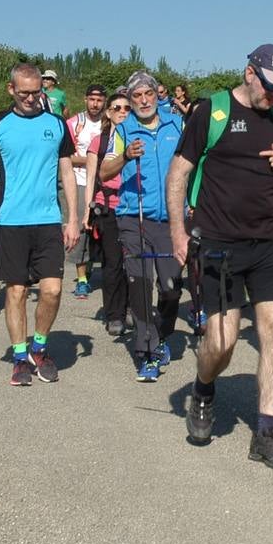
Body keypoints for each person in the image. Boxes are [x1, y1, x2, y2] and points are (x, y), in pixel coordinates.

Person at [167, 43, 273, 469]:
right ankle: (204, 388)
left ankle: (265, 431)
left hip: (269, 242)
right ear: (250, 73)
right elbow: (178, 173)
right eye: (271, 85)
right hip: (218, 244)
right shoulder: (212, 112)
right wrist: (177, 231)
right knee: (222, 342)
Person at [0, 63, 80, 387]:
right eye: (25, 93)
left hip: (48, 219)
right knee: (16, 291)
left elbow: (67, 174)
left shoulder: (56, 124)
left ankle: (39, 348)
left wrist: (72, 217)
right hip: (11, 220)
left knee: (52, 290)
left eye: (37, 92)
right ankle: (20, 358)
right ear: (11, 90)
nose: (32, 98)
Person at [99, 71, 185, 382]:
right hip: (132, 218)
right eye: (137, 96)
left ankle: (161, 334)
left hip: (171, 220)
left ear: (156, 94)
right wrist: (124, 156)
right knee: (139, 283)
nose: (144, 100)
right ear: (130, 99)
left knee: (172, 287)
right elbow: (104, 172)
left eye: (148, 93)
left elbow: (194, 162)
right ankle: (146, 352)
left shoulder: (177, 123)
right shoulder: (123, 129)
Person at [86, 91, 132, 337]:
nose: (122, 112)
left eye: (127, 108)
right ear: (108, 112)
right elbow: (93, 178)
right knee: (113, 263)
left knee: (134, 263)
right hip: (108, 206)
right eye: (117, 108)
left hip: (134, 207)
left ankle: (132, 309)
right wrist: (86, 211)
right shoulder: (100, 141)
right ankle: (114, 314)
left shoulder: (138, 138)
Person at [66, 84, 107, 299]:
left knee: (105, 231)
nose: (95, 104)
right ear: (85, 100)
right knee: (82, 230)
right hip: (81, 182)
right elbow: (67, 156)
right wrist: (92, 159)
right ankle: (82, 280)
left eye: (99, 100)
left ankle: (102, 270)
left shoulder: (110, 122)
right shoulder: (74, 123)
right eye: (92, 99)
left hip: (106, 183)